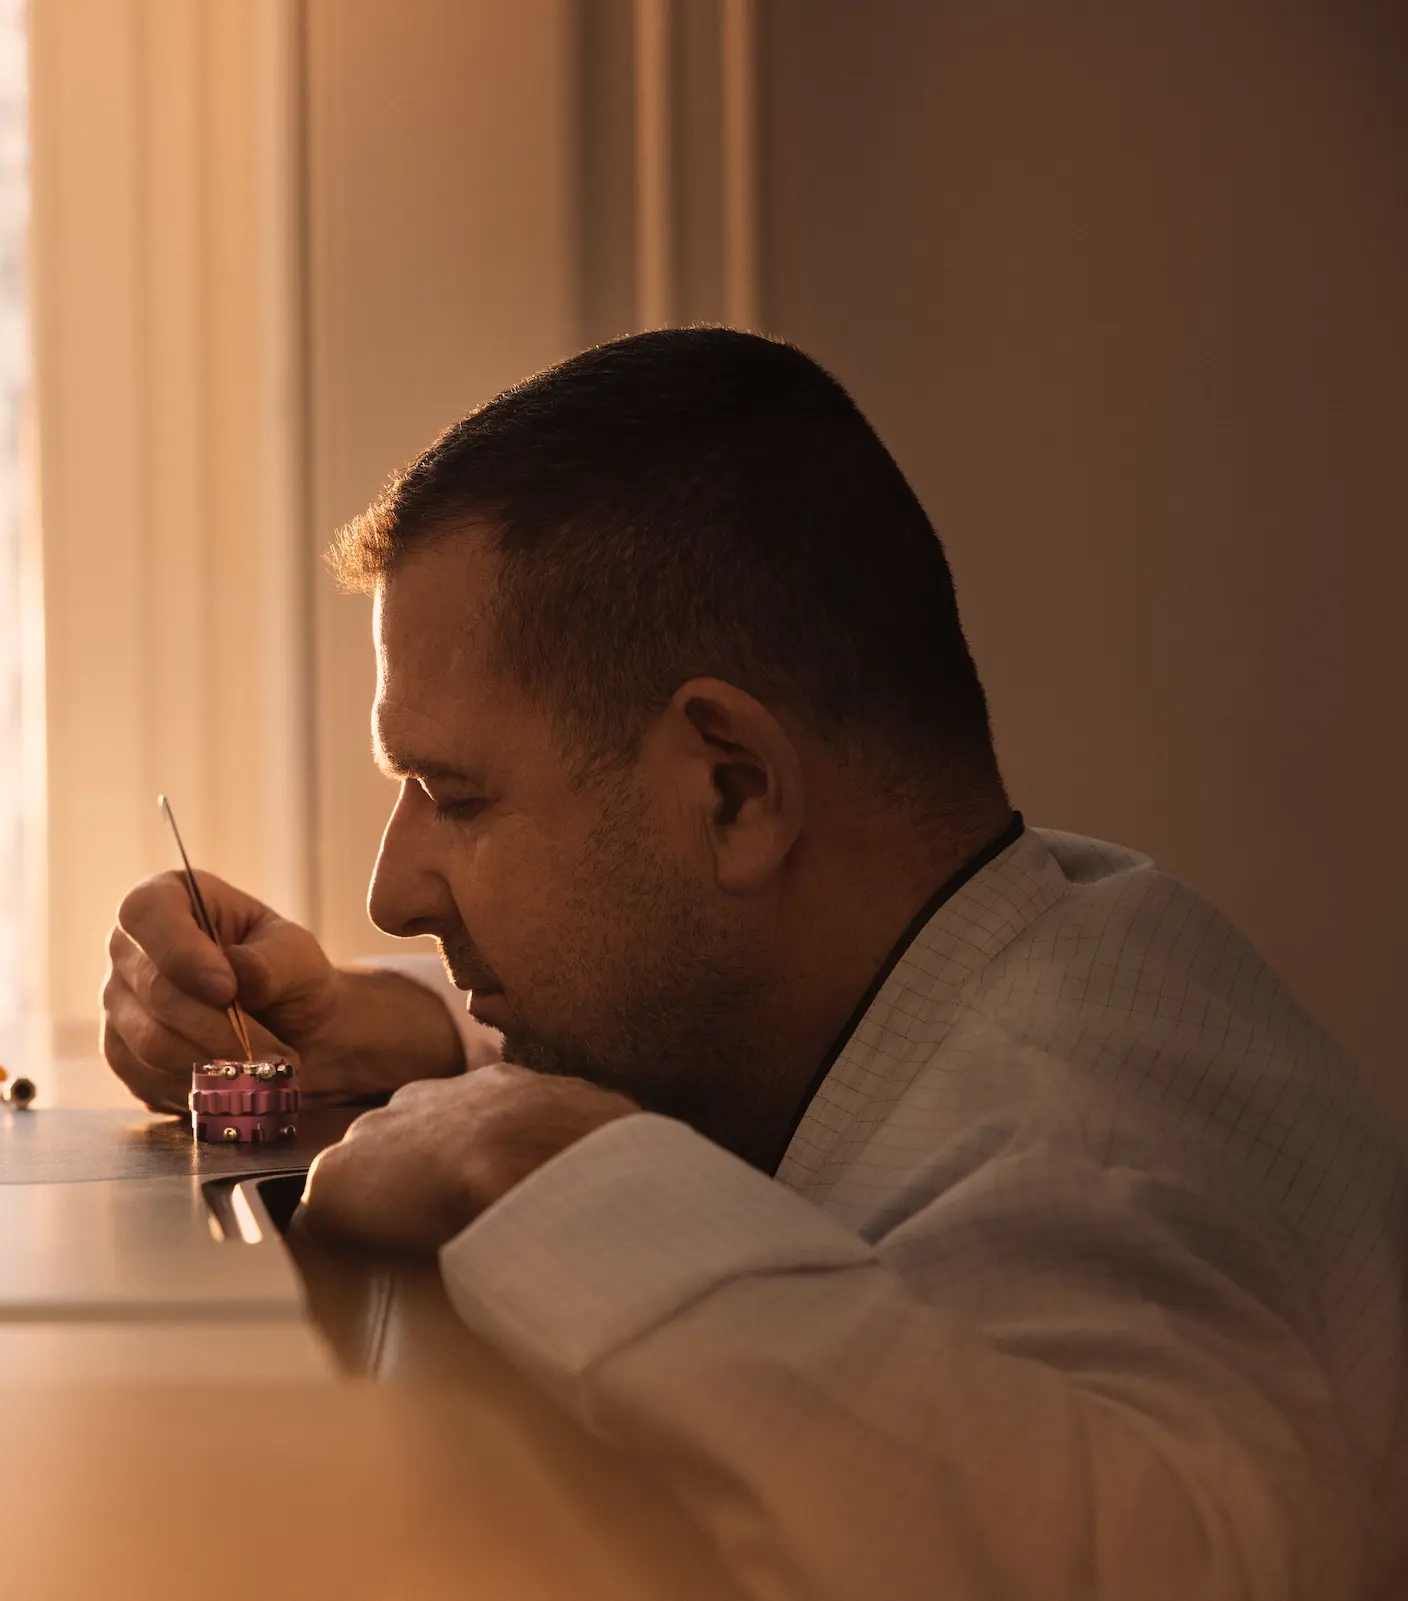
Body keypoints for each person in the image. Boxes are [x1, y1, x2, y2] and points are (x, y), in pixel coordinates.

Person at [98, 329, 1406, 1598]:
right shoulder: (1011, 933)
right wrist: (410, 1030)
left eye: (458, 796)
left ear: (733, 790)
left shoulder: (1084, 1165)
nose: (389, 893)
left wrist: (534, 1157)